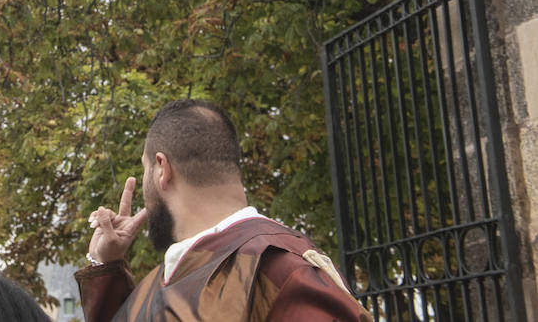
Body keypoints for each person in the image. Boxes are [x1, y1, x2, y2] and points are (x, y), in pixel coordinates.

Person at [77, 99, 370, 322]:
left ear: (161, 169)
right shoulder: (169, 277)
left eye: (144, 169)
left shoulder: (278, 268)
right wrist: (106, 266)